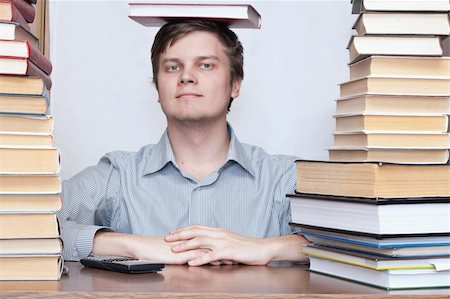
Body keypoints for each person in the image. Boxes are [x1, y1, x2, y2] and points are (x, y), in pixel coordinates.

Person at [59, 20, 309, 266]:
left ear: (235, 84)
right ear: (157, 88)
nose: (187, 77)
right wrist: (131, 245)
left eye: (206, 65)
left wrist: (264, 248)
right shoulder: (118, 175)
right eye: (172, 67)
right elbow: (31, 224)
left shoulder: (283, 178)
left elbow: (344, 240)